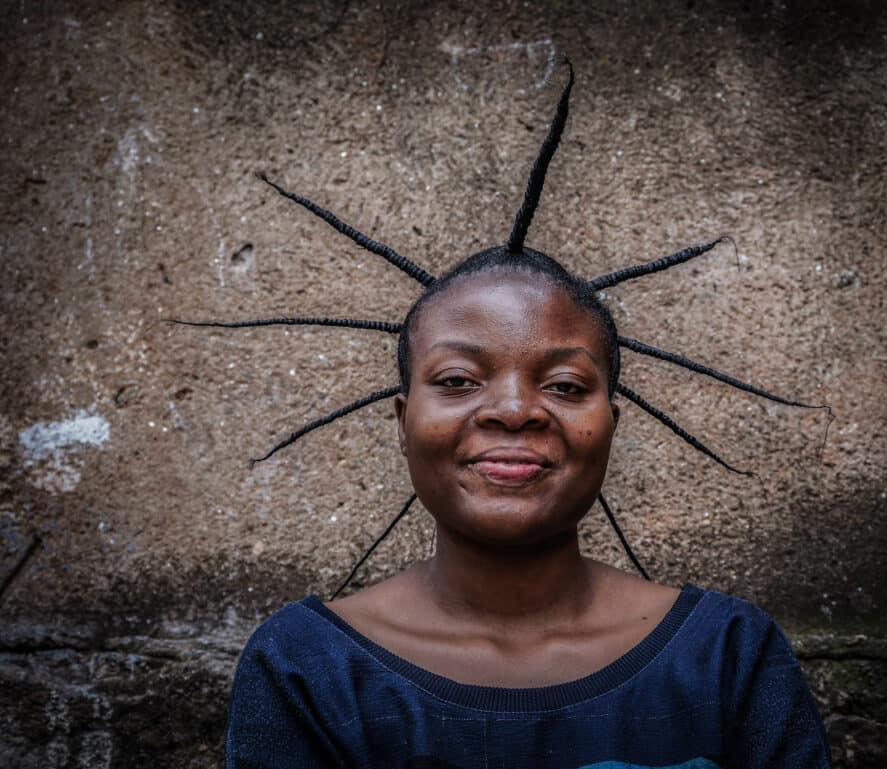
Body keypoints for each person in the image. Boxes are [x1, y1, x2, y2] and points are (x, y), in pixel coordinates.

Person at [216, 63, 833, 768]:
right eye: (457, 378)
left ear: (611, 421)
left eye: (566, 385)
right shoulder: (307, 667)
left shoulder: (729, 657)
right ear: (400, 419)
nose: (514, 408)